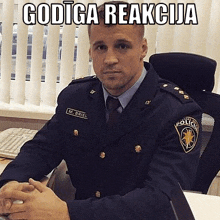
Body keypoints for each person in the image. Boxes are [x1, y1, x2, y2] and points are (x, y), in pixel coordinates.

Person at [0, 1, 202, 219]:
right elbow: (41, 149)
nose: (110, 59)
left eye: (122, 46)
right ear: (90, 51)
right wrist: (10, 183)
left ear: (143, 48)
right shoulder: (76, 98)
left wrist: (67, 211)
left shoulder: (177, 113)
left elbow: (161, 201)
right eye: (100, 47)